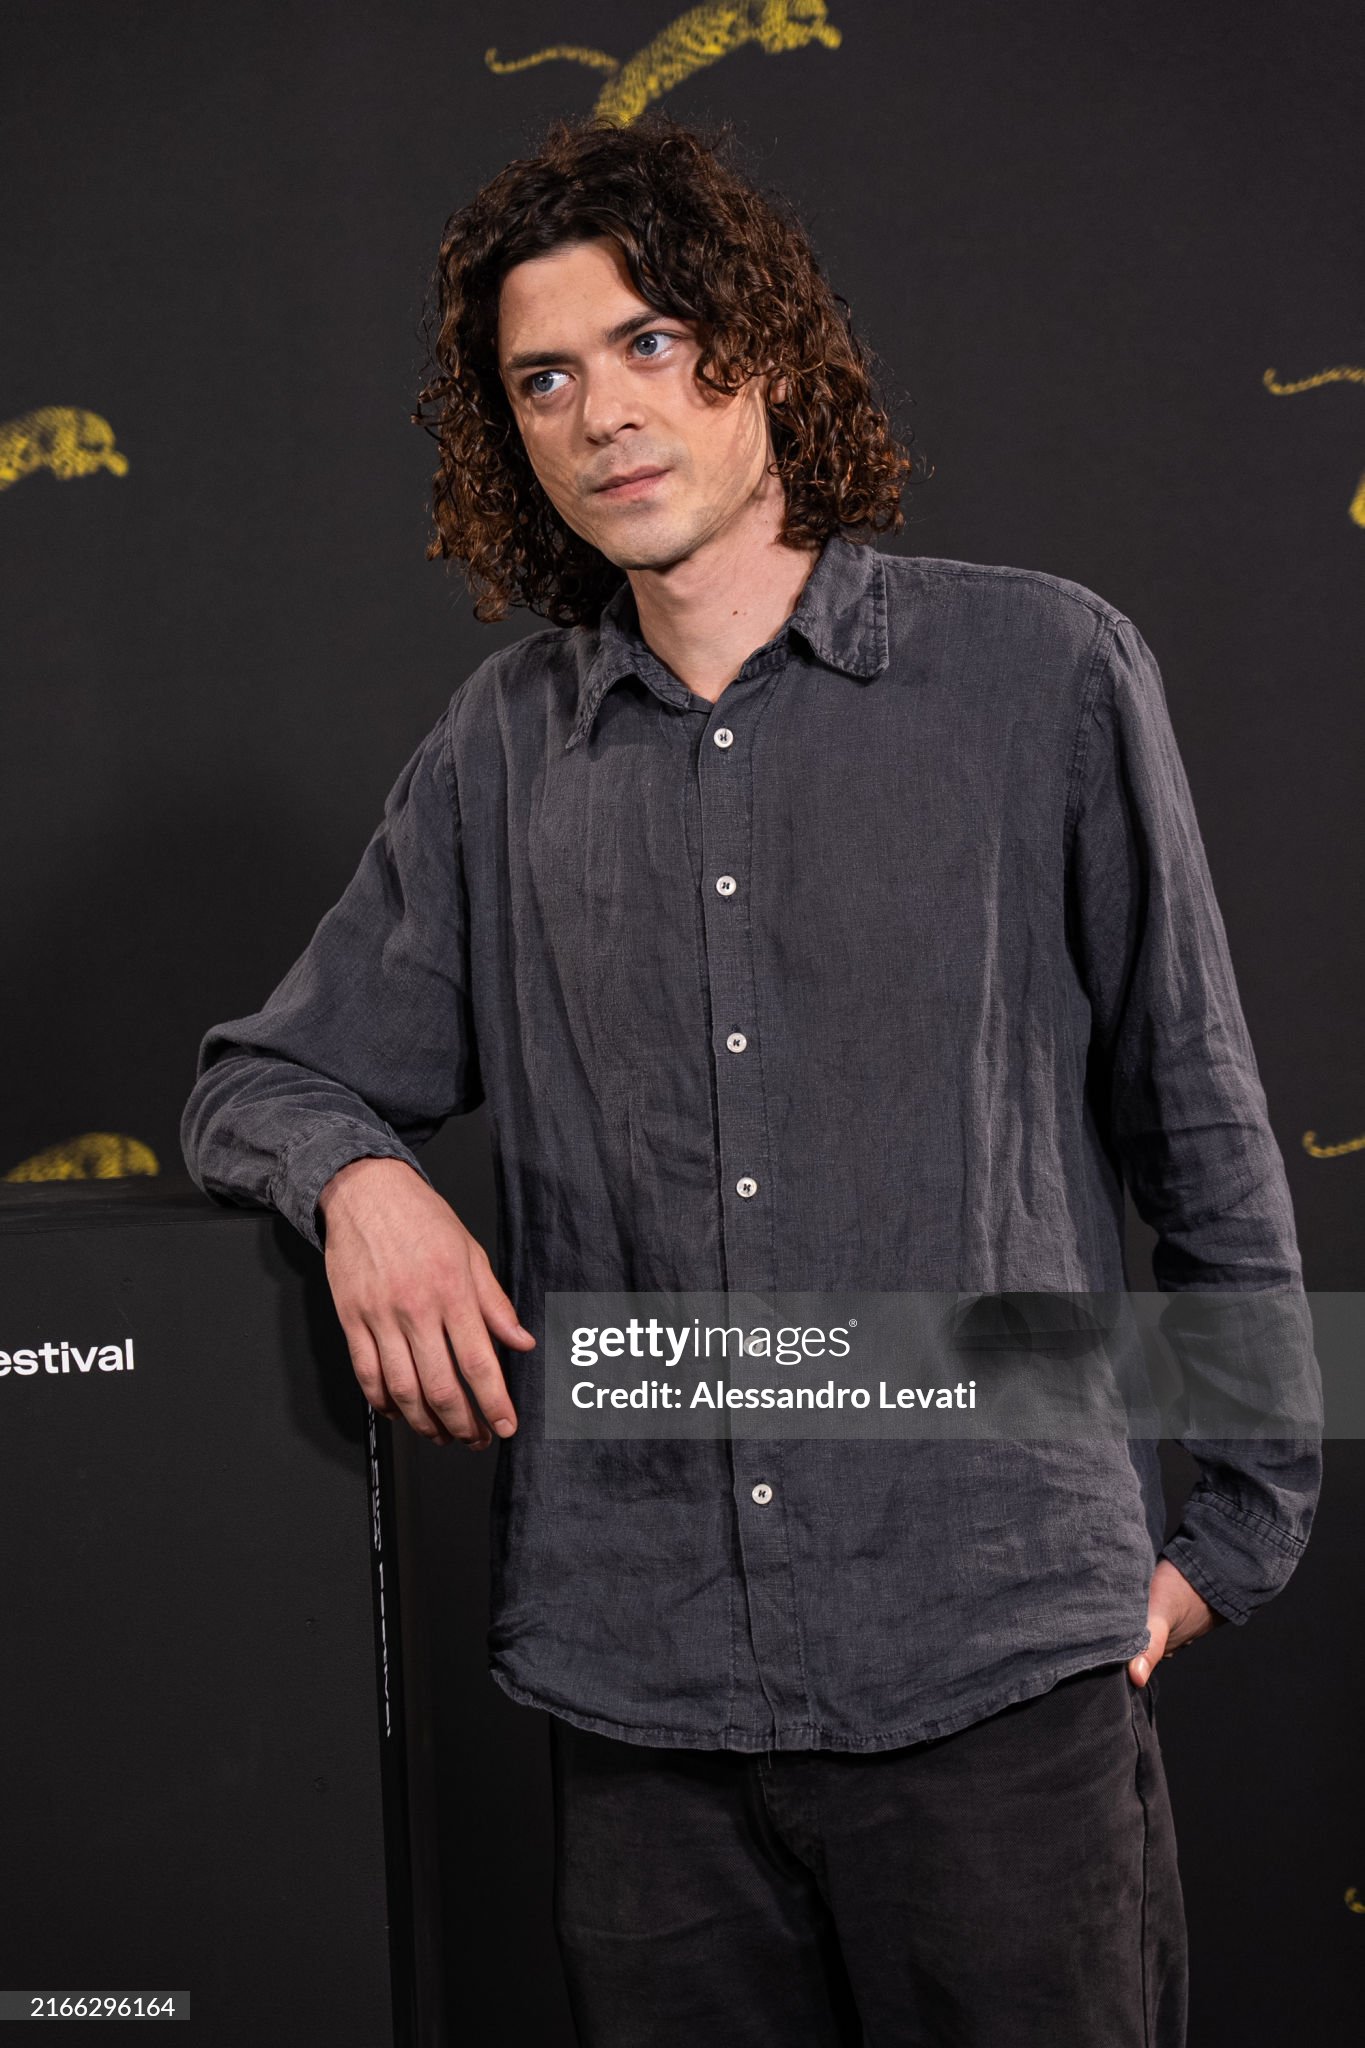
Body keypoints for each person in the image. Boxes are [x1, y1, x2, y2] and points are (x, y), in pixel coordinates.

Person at [180, 111, 1321, 2048]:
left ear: (760, 350)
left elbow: (1193, 1118)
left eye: (646, 342)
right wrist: (355, 1179)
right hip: (645, 1714)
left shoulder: (1038, 671)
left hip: (994, 1673)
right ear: (509, 435)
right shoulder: (500, 752)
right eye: (541, 377)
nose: (600, 411)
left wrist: (1235, 1531)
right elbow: (258, 1080)